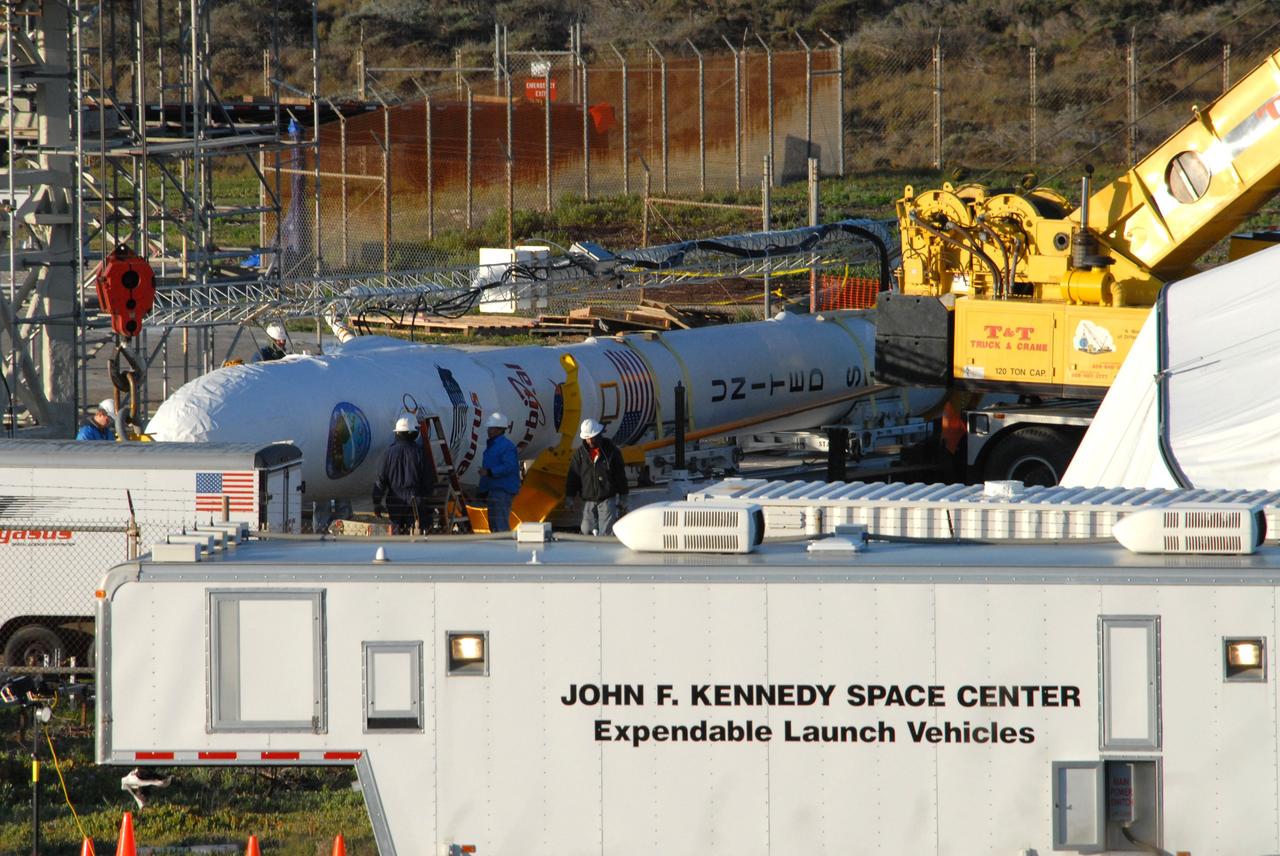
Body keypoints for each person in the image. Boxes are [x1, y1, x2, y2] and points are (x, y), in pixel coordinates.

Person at [371, 415, 435, 534]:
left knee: (397, 534)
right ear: (412, 432)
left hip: (394, 501)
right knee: (417, 535)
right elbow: (428, 481)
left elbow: (380, 481)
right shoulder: (419, 453)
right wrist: (428, 502)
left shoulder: (388, 454)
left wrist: (377, 502)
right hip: (415, 501)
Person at [565, 418, 628, 535]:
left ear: (599, 435)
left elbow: (620, 475)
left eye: (592, 437)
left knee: (606, 532)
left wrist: (624, 496)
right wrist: (570, 497)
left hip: (607, 499)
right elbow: (573, 477)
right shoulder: (579, 455)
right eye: (587, 438)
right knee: (586, 530)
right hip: (588, 500)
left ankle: (605, 551)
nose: (589, 441)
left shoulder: (612, 452)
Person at [477, 412, 520, 532]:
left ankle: (505, 549)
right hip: (494, 490)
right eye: (489, 428)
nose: (488, 430)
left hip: (502, 490)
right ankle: (499, 548)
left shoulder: (506, 446)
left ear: (500, 430)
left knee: (500, 525)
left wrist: (490, 472)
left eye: (491, 428)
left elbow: (509, 466)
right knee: (494, 525)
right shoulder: (492, 445)